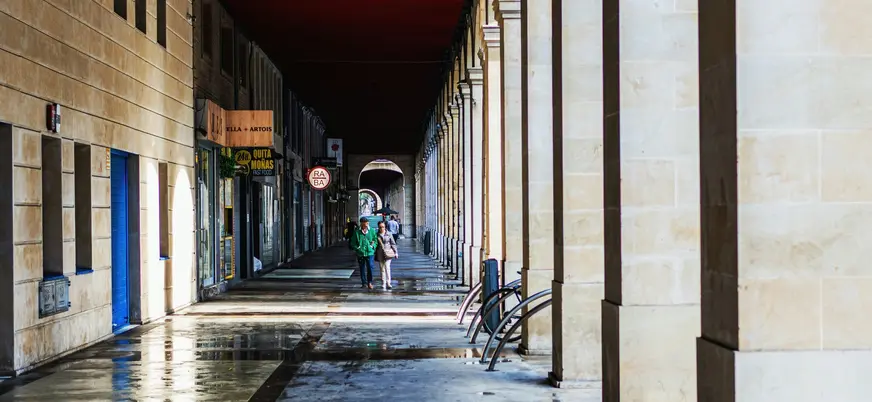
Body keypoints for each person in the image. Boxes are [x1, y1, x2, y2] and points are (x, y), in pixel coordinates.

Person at [349, 217, 378, 289]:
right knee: (362, 268)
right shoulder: (356, 231)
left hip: (369, 252)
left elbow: (375, 240)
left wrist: (373, 246)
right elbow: (352, 243)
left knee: (370, 267)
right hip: (360, 253)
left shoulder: (372, 230)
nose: (365, 226)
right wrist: (357, 248)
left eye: (367, 224)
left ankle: (369, 282)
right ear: (361, 224)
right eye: (364, 225)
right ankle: (363, 283)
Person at [375, 220, 398, 290]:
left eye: (383, 227)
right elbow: (375, 244)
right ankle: (383, 282)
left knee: (387, 267)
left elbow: (393, 243)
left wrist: (396, 252)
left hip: (388, 252)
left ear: (385, 227)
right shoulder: (377, 234)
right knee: (382, 268)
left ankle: (388, 282)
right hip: (380, 253)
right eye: (380, 227)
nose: (382, 228)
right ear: (378, 227)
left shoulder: (389, 234)